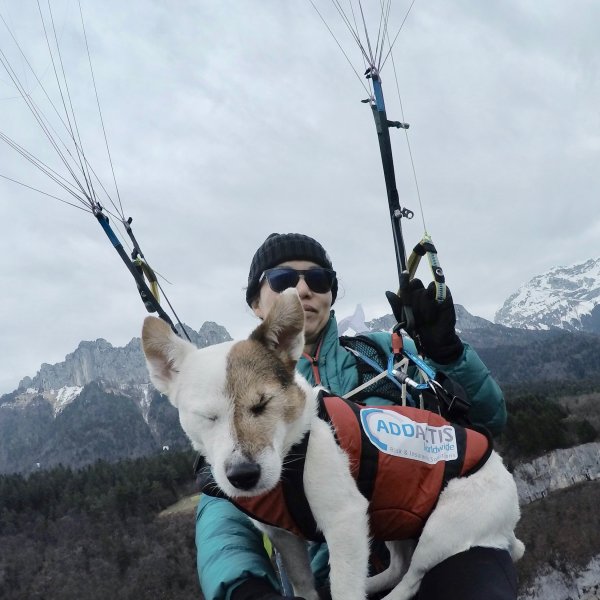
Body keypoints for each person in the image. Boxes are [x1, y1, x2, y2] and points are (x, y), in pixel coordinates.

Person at [196, 233, 517, 600]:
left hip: (450, 537)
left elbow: (488, 423)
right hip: (337, 576)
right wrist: (242, 586)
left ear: (331, 293)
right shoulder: (232, 393)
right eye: (284, 279)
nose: (303, 290)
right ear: (255, 301)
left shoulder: (386, 353)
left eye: (318, 280)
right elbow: (223, 506)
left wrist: (449, 354)